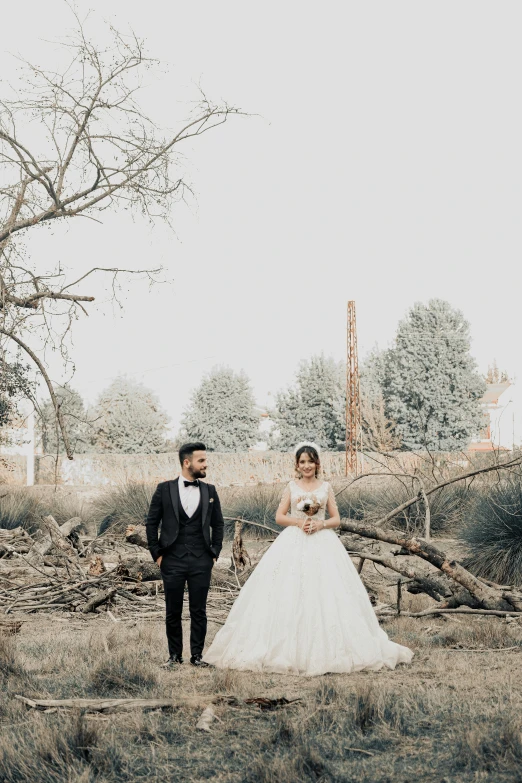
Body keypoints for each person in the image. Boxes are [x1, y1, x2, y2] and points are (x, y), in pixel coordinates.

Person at [204, 442, 413, 676]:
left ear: (317, 463)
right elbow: (280, 516)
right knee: (288, 590)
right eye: (302, 462)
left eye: (310, 461)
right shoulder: (291, 487)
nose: (306, 466)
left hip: (322, 542)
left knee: (325, 592)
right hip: (293, 541)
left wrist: (321, 523)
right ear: (297, 465)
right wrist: (299, 522)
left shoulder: (325, 487)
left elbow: (337, 518)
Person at [145, 442, 224, 667]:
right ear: (187, 463)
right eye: (201, 460)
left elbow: (218, 524)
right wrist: (157, 554)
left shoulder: (210, 491)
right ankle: (174, 656)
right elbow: (151, 523)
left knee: (199, 610)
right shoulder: (164, 489)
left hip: (201, 559)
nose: (205, 464)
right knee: (173, 610)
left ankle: (197, 656)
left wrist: (215, 553)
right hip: (172, 559)